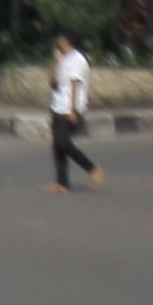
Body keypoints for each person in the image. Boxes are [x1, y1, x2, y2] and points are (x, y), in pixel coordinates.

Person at [47, 31, 101, 193]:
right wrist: (57, 64)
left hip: (69, 108)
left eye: (61, 38)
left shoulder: (78, 59)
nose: (58, 41)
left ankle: (92, 169)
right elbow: (53, 83)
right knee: (57, 145)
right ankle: (62, 183)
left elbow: (75, 84)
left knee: (63, 142)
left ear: (67, 41)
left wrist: (73, 110)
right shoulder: (65, 59)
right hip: (57, 105)